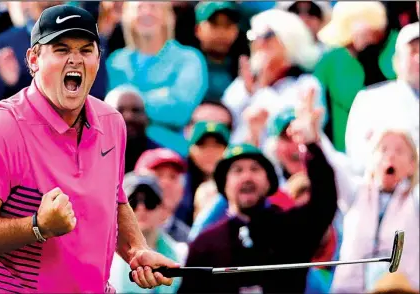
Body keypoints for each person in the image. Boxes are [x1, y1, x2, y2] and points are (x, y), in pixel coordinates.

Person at [0, 5, 178, 293]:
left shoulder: (112, 123)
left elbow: (116, 201)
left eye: (86, 50)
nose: (75, 60)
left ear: (99, 58)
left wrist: (136, 251)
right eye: (60, 50)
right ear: (34, 59)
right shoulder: (1, 127)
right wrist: (37, 226)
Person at [178, 92, 338, 292]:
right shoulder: (205, 244)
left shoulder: (292, 228)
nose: (247, 177)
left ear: (269, 182)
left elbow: (325, 201)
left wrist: (311, 144)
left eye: (255, 169)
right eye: (237, 170)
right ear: (223, 185)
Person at [106, 1, 208, 157]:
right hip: (120, 152)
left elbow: (180, 110)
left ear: (169, 16)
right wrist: (161, 95)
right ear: (127, 17)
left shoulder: (189, 58)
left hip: (170, 154)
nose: (146, 12)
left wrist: (130, 104)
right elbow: (110, 112)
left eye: (153, 6)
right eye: (139, 7)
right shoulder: (115, 61)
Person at [330, 127, 419, 293]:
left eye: (399, 151)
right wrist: (313, 136)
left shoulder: (415, 200)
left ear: (412, 165)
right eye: (383, 149)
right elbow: (332, 166)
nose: (390, 155)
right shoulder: (355, 192)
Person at [222, 8, 325, 146]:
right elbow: (226, 120)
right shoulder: (245, 82)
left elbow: (285, 126)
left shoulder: (306, 83)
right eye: (254, 36)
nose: (259, 43)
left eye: (267, 35)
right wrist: (249, 91)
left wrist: (263, 88)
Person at [314, 1, 398, 152]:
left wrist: (368, 56)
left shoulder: (401, 48)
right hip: (346, 160)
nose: (347, 46)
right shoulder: (330, 60)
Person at [345, 22, 419, 175]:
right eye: (413, 51)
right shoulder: (370, 100)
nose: (419, 58)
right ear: (396, 61)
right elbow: (357, 161)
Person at [109, 173, 186, 293]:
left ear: (163, 210)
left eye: (150, 201)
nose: (141, 207)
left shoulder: (182, 254)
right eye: (132, 202)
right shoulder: (106, 259)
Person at [134, 148, 190, 243]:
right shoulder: (112, 233)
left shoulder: (189, 241)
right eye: (158, 175)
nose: (166, 183)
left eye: (173, 177)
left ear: (182, 191)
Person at [105, 85, 160, 173]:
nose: (129, 117)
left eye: (136, 110)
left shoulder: (159, 158)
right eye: (119, 110)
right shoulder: (87, 155)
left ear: (146, 117)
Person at [194, 1, 241, 102]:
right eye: (214, 24)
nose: (221, 32)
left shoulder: (243, 68)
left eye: (228, 25)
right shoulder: (185, 66)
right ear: (198, 30)